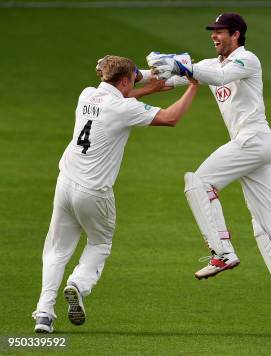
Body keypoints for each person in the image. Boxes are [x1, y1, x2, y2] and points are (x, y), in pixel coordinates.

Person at [147, 12, 271, 328]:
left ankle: (222, 251)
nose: (214, 36)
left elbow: (218, 78)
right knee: (265, 225)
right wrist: (126, 75)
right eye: (213, 32)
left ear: (236, 34)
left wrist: (183, 65)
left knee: (199, 182)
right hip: (253, 147)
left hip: (253, 139)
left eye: (220, 32)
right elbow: (170, 79)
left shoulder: (247, 60)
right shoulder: (211, 64)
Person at [32, 55, 199, 333]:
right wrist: (193, 83)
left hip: (65, 183)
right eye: (133, 78)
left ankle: (44, 314)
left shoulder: (87, 94)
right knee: (99, 244)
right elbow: (170, 118)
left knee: (57, 251)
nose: (137, 79)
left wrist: (149, 87)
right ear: (124, 80)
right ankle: (78, 284)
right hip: (94, 193)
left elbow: (123, 94)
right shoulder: (123, 109)